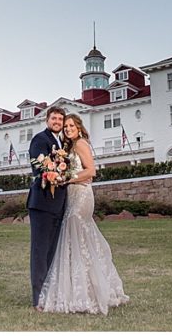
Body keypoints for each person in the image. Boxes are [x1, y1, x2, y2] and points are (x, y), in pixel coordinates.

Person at [36, 113, 129, 315]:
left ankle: (90, 291)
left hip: (82, 196)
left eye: (71, 125)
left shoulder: (80, 144)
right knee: (76, 239)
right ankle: (81, 289)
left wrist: (66, 178)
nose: (68, 128)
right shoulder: (68, 147)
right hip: (72, 196)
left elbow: (91, 171)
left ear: (78, 127)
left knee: (78, 235)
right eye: (66, 126)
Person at [27, 106, 68, 309]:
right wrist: (56, 174)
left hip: (59, 205)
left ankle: (48, 293)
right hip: (42, 204)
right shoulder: (40, 140)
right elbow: (40, 166)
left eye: (60, 119)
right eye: (54, 118)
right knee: (40, 251)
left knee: (51, 251)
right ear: (47, 120)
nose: (57, 121)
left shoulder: (62, 144)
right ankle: (38, 299)